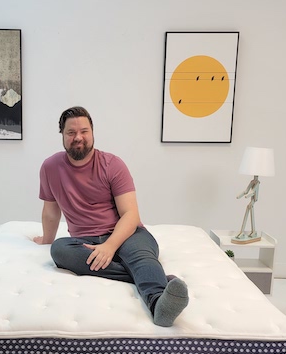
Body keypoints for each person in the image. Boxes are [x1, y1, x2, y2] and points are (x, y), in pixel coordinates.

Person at [33, 106, 189, 327]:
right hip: (85, 241)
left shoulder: (112, 165)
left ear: (93, 132)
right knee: (59, 250)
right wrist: (46, 239)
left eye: (84, 131)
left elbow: (131, 214)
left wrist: (110, 246)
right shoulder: (50, 167)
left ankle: (159, 306)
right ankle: (157, 278)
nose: (78, 137)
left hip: (127, 234)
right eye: (71, 132)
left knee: (141, 256)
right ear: (62, 135)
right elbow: (51, 210)